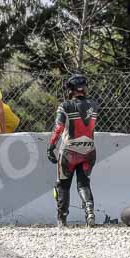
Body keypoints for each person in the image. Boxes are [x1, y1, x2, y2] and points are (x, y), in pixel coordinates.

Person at [46, 74, 98, 227]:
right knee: (83, 184)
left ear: (70, 90)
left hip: (69, 151)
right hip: (89, 149)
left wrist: (51, 146)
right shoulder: (94, 105)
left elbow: (58, 128)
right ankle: (89, 211)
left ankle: (62, 219)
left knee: (62, 185)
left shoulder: (65, 105)